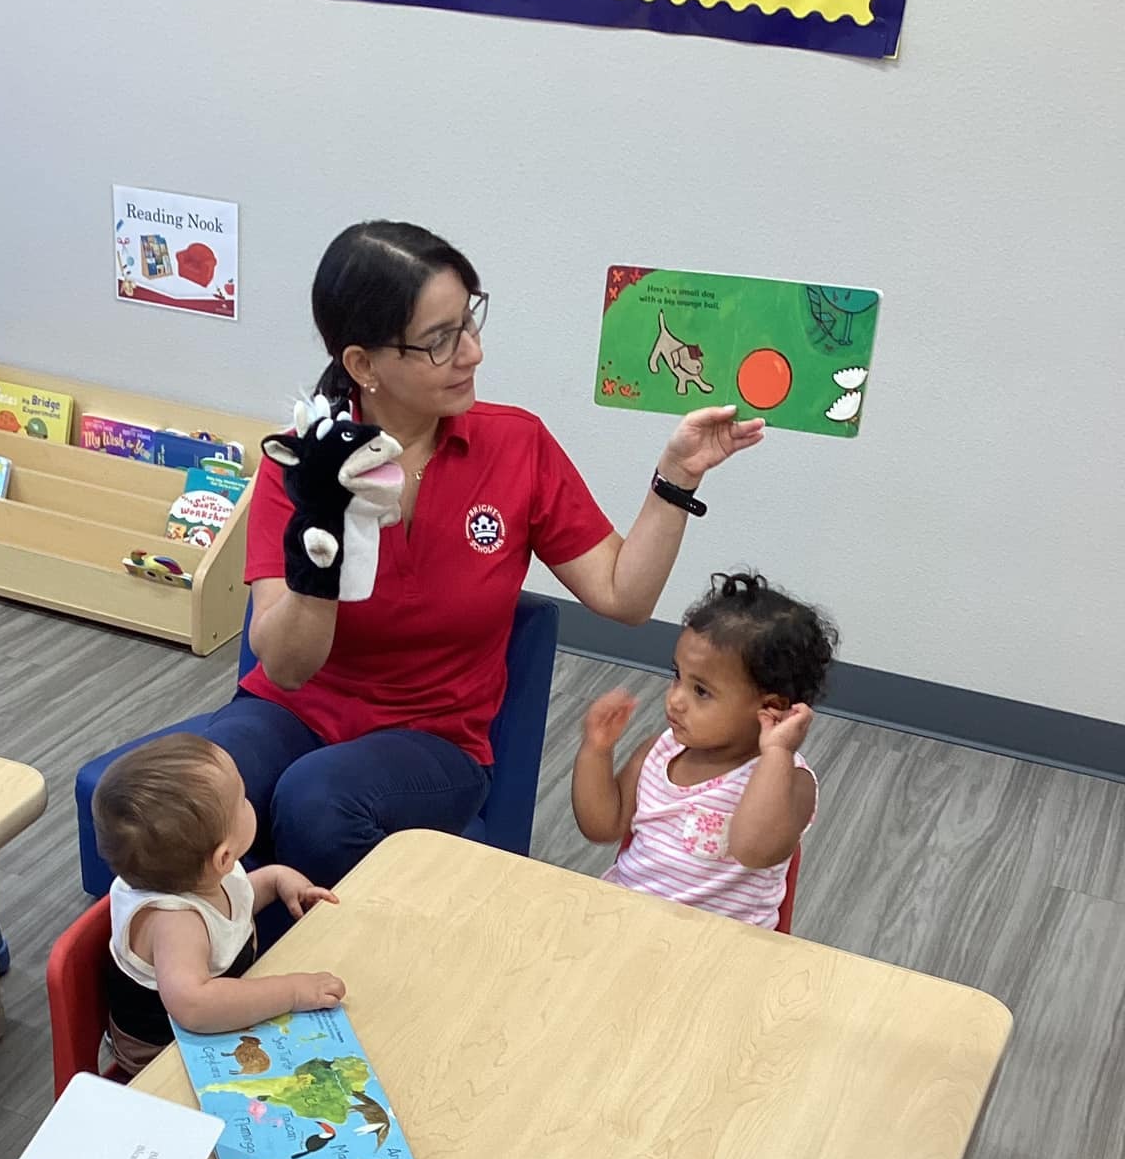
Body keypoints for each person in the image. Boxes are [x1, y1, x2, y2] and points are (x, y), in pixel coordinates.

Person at [193, 218, 764, 889]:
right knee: (185, 797)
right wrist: (325, 534)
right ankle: (189, 984)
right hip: (290, 712)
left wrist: (677, 478)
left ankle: (362, 976)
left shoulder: (515, 447)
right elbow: (285, 668)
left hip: (434, 742)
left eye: (469, 322)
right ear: (363, 365)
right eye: (440, 340)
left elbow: (622, 595)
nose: (472, 353)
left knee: (316, 803)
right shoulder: (304, 463)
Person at [572, 570, 837, 929]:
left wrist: (776, 752)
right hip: (626, 923)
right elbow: (601, 826)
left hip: (719, 952)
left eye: (701, 691)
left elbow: (754, 850)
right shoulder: (659, 752)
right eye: (677, 675)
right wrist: (596, 751)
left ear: (772, 707)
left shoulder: (789, 780)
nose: (676, 699)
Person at [92, 732, 344, 1076]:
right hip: (164, 1057)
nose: (249, 800)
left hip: (207, 1025)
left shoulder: (194, 873)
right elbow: (195, 1006)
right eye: (242, 799)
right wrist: (294, 992)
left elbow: (226, 911)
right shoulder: (175, 923)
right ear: (224, 857)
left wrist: (274, 880)